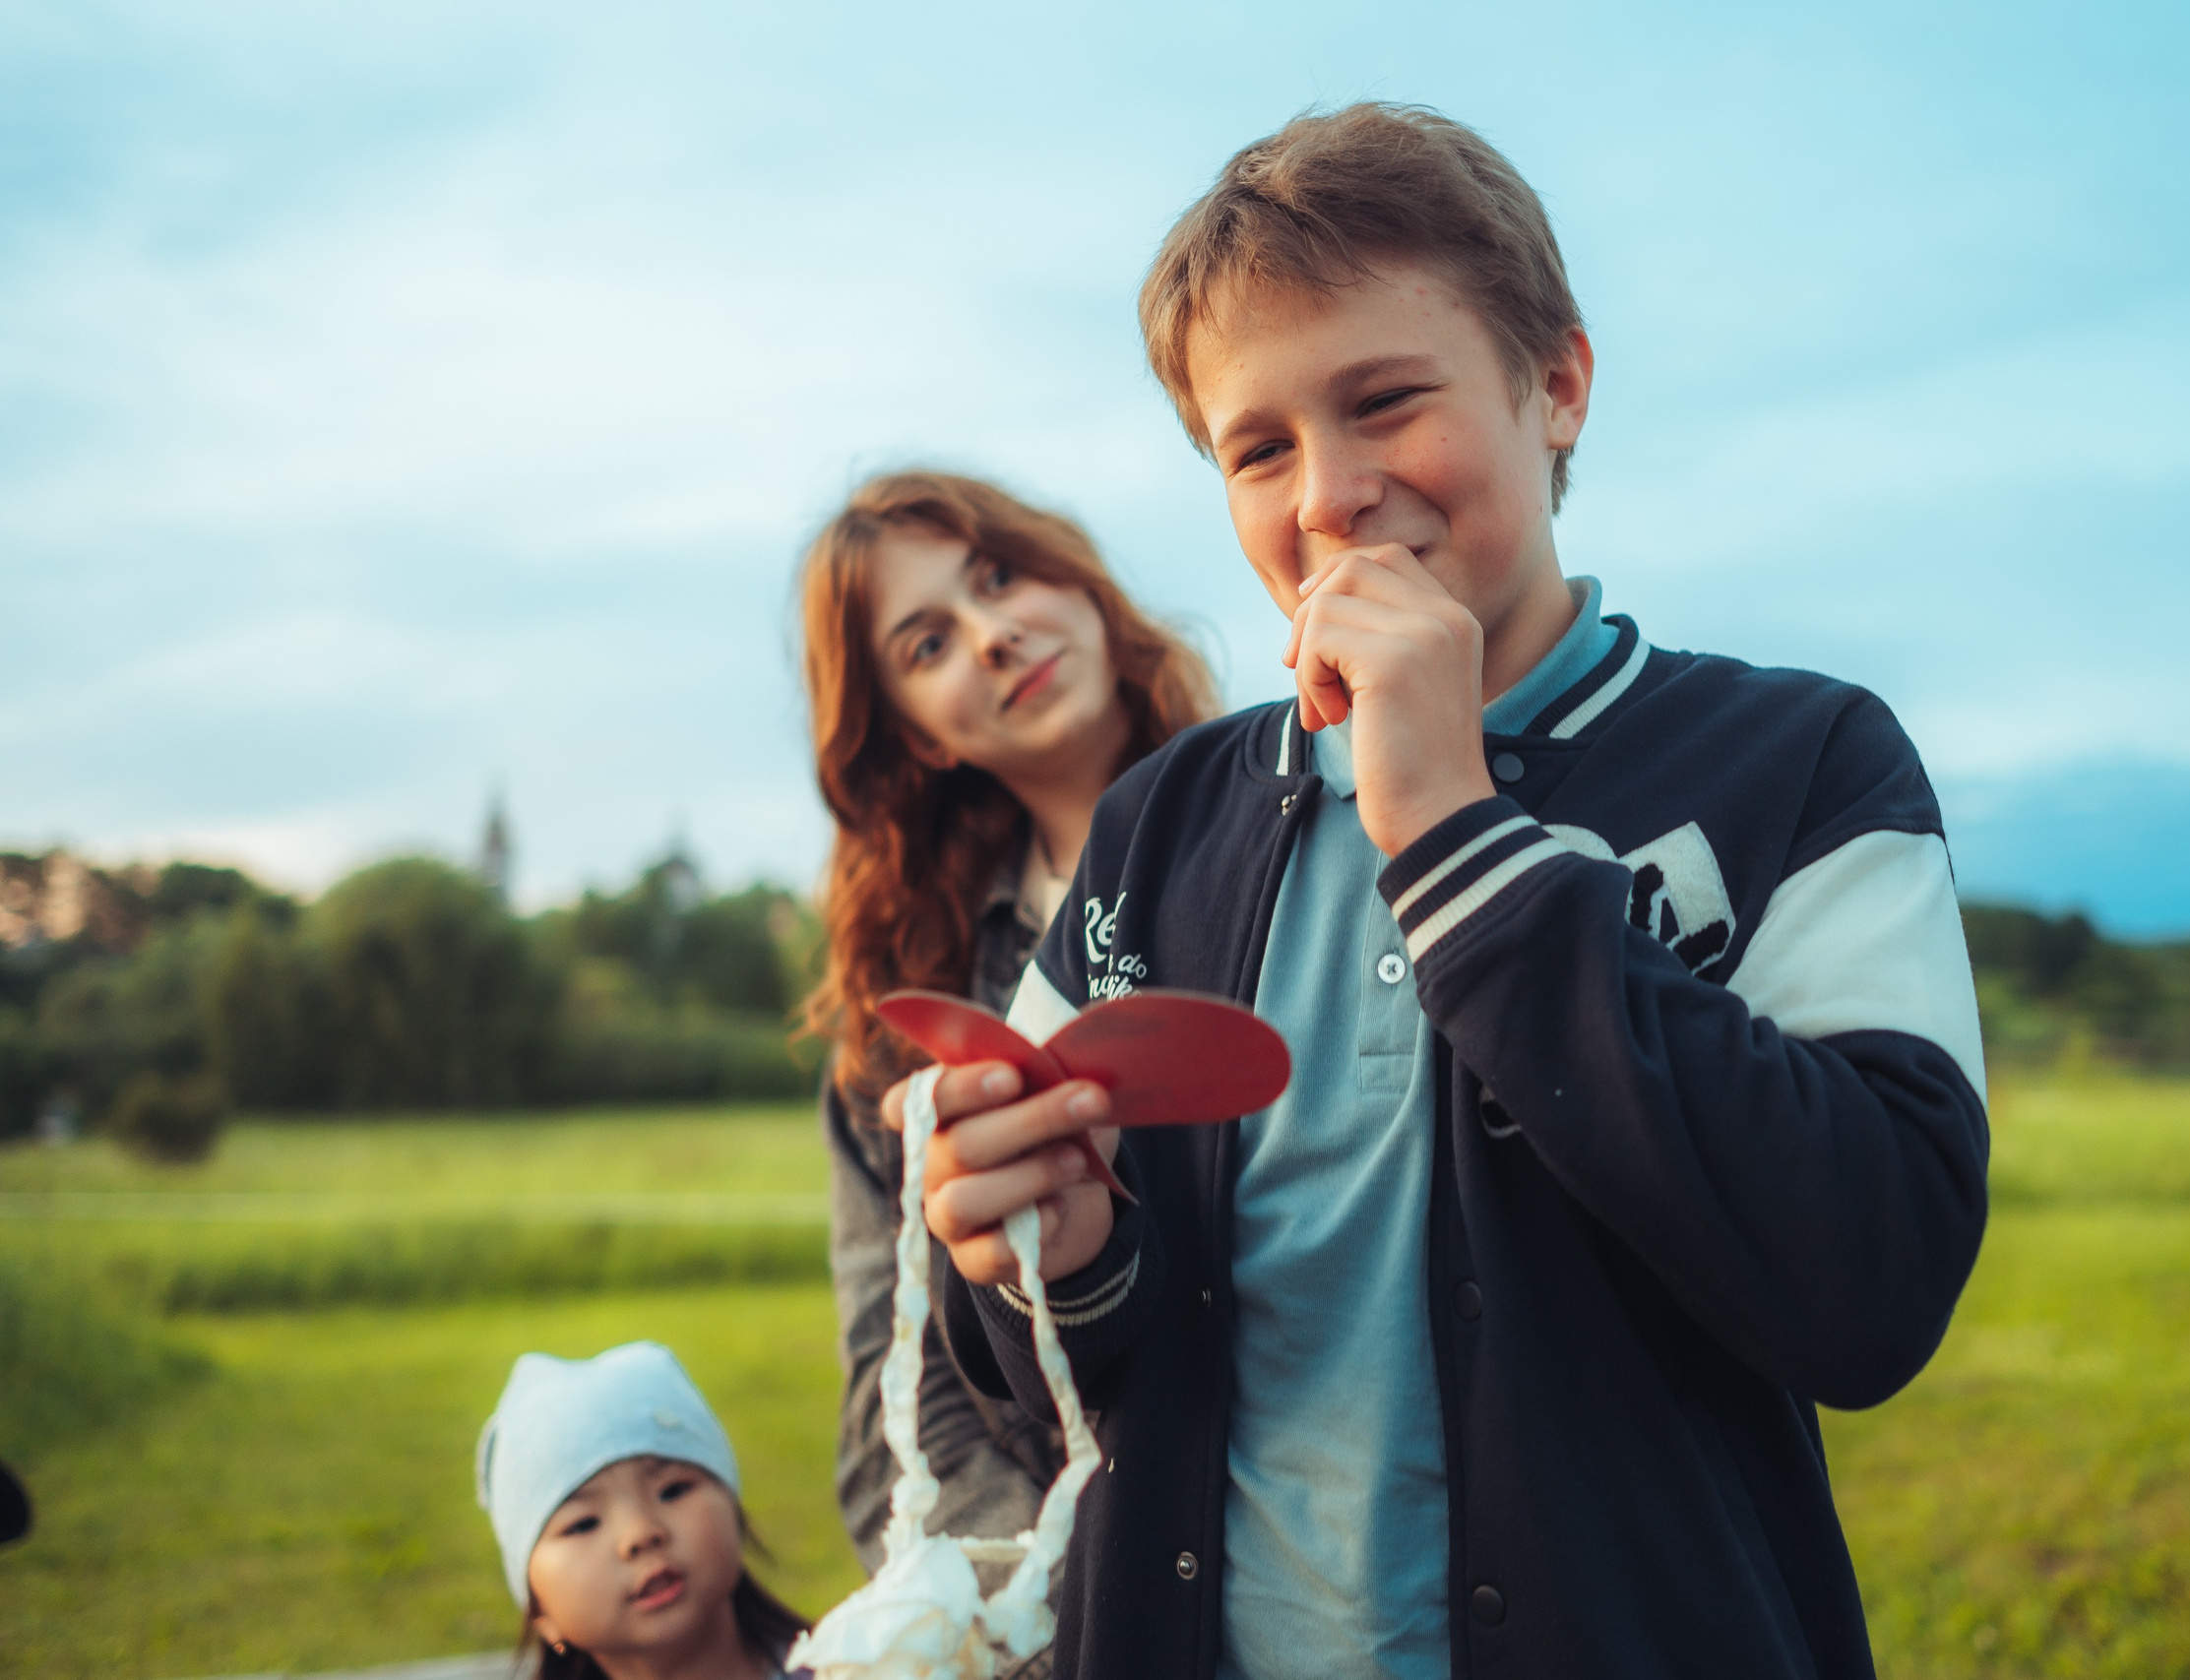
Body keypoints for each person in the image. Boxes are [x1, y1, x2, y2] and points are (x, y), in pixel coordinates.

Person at [896, 104, 1992, 1679]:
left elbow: (1872, 1280)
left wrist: (1453, 828)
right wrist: (1052, 1254)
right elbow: (1029, 1371)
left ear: (1556, 385)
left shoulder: (1801, 761)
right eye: (1256, 447)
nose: (1328, 495)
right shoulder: (1159, 823)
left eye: (1385, 400)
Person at [792, 470, 1216, 1655]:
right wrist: (1047, 1600)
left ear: (1075, 579)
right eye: (928, 641)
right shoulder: (900, 1040)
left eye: (999, 575)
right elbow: (900, 1389)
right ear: (921, 734)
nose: (992, 635)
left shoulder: (1324, 827)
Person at [474, 1340, 812, 1680]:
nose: (641, 1533)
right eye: (583, 1524)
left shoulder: (848, 1665)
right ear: (540, 1613)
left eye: (672, 1491)